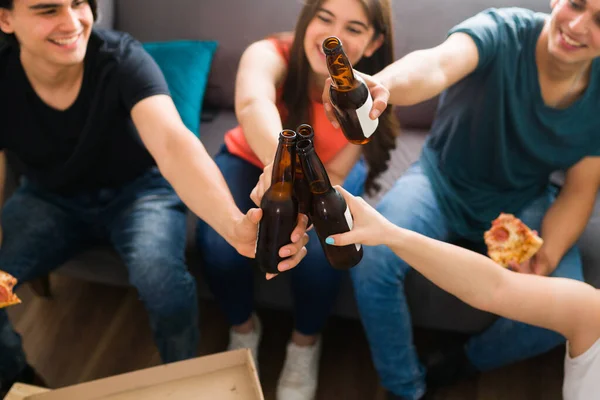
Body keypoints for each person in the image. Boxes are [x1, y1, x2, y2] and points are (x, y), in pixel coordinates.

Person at [0, 0, 308, 395]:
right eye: (48, 10)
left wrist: (233, 226)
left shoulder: (122, 57)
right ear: (6, 19)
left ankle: (180, 381)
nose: (72, 21)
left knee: (162, 282)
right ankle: (18, 380)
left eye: (79, 3)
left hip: (139, 193)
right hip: (48, 200)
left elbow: (173, 143)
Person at [321, 1, 600, 399]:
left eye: (599, 21)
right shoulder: (501, 30)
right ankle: (406, 388)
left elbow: (581, 187)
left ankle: (462, 363)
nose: (576, 24)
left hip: (524, 198)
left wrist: (547, 255)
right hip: (442, 181)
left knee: (565, 303)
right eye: (575, 4)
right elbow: (435, 65)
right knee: (372, 257)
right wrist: (377, 87)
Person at [195, 0, 398, 398]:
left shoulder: (371, 93)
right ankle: (243, 329)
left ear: (374, 41)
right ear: (306, 20)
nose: (331, 36)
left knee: (325, 256)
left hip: (328, 175)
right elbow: (253, 103)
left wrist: (303, 205)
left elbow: (339, 169)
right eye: (324, 19)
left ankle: (304, 344)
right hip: (249, 158)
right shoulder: (268, 53)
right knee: (218, 246)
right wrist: (279, 166)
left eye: (353, 28)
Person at [325, 185, 600, 400]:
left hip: (529, 191)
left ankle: (456, 364)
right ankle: (408, 387)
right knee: (375, 263)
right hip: (447, 179)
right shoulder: (591, 313)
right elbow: (495, 287)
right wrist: (390, 235)